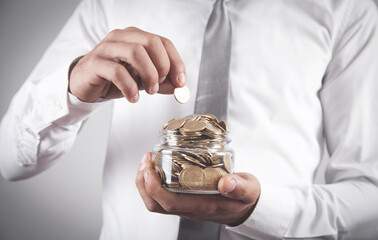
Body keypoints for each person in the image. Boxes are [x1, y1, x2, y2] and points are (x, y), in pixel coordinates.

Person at [1, 0, 378, 239]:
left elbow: (369, 188)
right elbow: (8, 162)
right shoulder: (109, 3)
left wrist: (263, 211)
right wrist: (70, 90)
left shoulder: (348, 8)